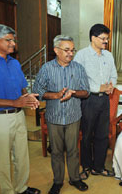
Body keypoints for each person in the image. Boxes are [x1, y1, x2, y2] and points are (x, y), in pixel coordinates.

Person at [0, 24, 41, 194]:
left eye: (13, 40)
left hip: (18, 116)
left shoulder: (14, 63)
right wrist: (13, 102)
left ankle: (21, 188)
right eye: (9, 40)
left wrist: (27, 97)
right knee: (3, 161)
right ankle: (8, 191)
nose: (13, 44)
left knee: (22, 156)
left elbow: (22, 87)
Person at [33, 35, 89, 194]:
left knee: (73, 150)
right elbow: (37, 91)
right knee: (56, 151)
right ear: (56, 51)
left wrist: (74, 93)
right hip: (54, 117)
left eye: (72, 50)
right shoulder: (47, 68)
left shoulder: (78, 68)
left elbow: (86, 92)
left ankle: (75, 178)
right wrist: (55, 95)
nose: (70, 53)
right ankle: (57, 181)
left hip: (73, 116)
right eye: (66, 50)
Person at [74, 24, 118, 179]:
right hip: (88, 100)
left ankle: (98, 167)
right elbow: (79, 80)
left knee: (102, 135)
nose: (106, 42)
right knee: (86, 135)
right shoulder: (81, 55)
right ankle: (86, 166)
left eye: (107, 39)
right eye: (103, 38)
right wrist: (98, 87)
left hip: (104, 100)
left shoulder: (109, 55)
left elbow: (113, 74)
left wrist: (111, 85)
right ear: (93, 38)